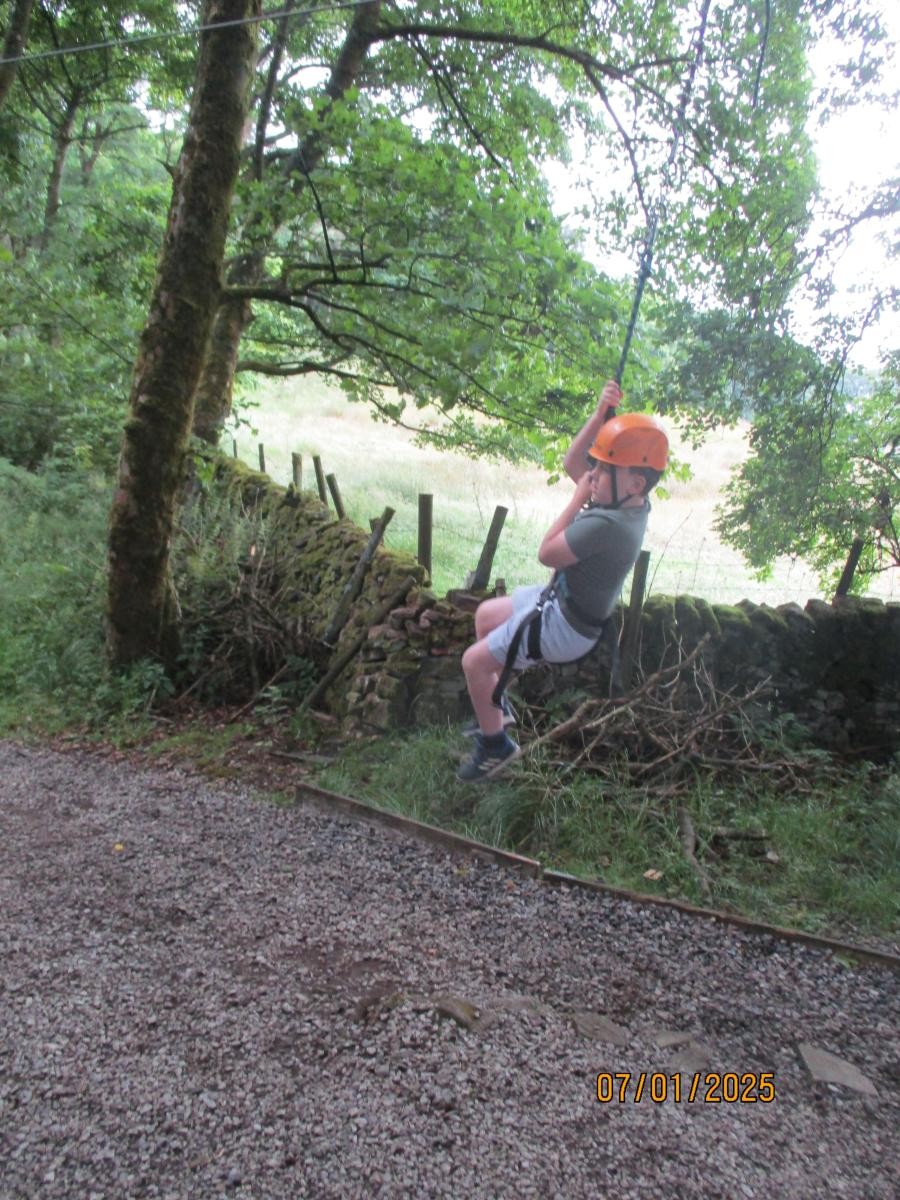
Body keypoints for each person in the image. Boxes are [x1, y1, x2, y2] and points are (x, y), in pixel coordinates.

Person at [456, 380, 668, 782]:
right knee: (485, 617)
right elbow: (574, 463)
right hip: (558, 600)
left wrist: (575, 501)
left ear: (635, 484)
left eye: (603, 470)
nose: (592, 475)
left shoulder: (608, 525)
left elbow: (547, 553)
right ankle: (495, 709)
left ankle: (495, 748)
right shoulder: (630, 503)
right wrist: (600, 413)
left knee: (473, 662)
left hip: (565, 625)